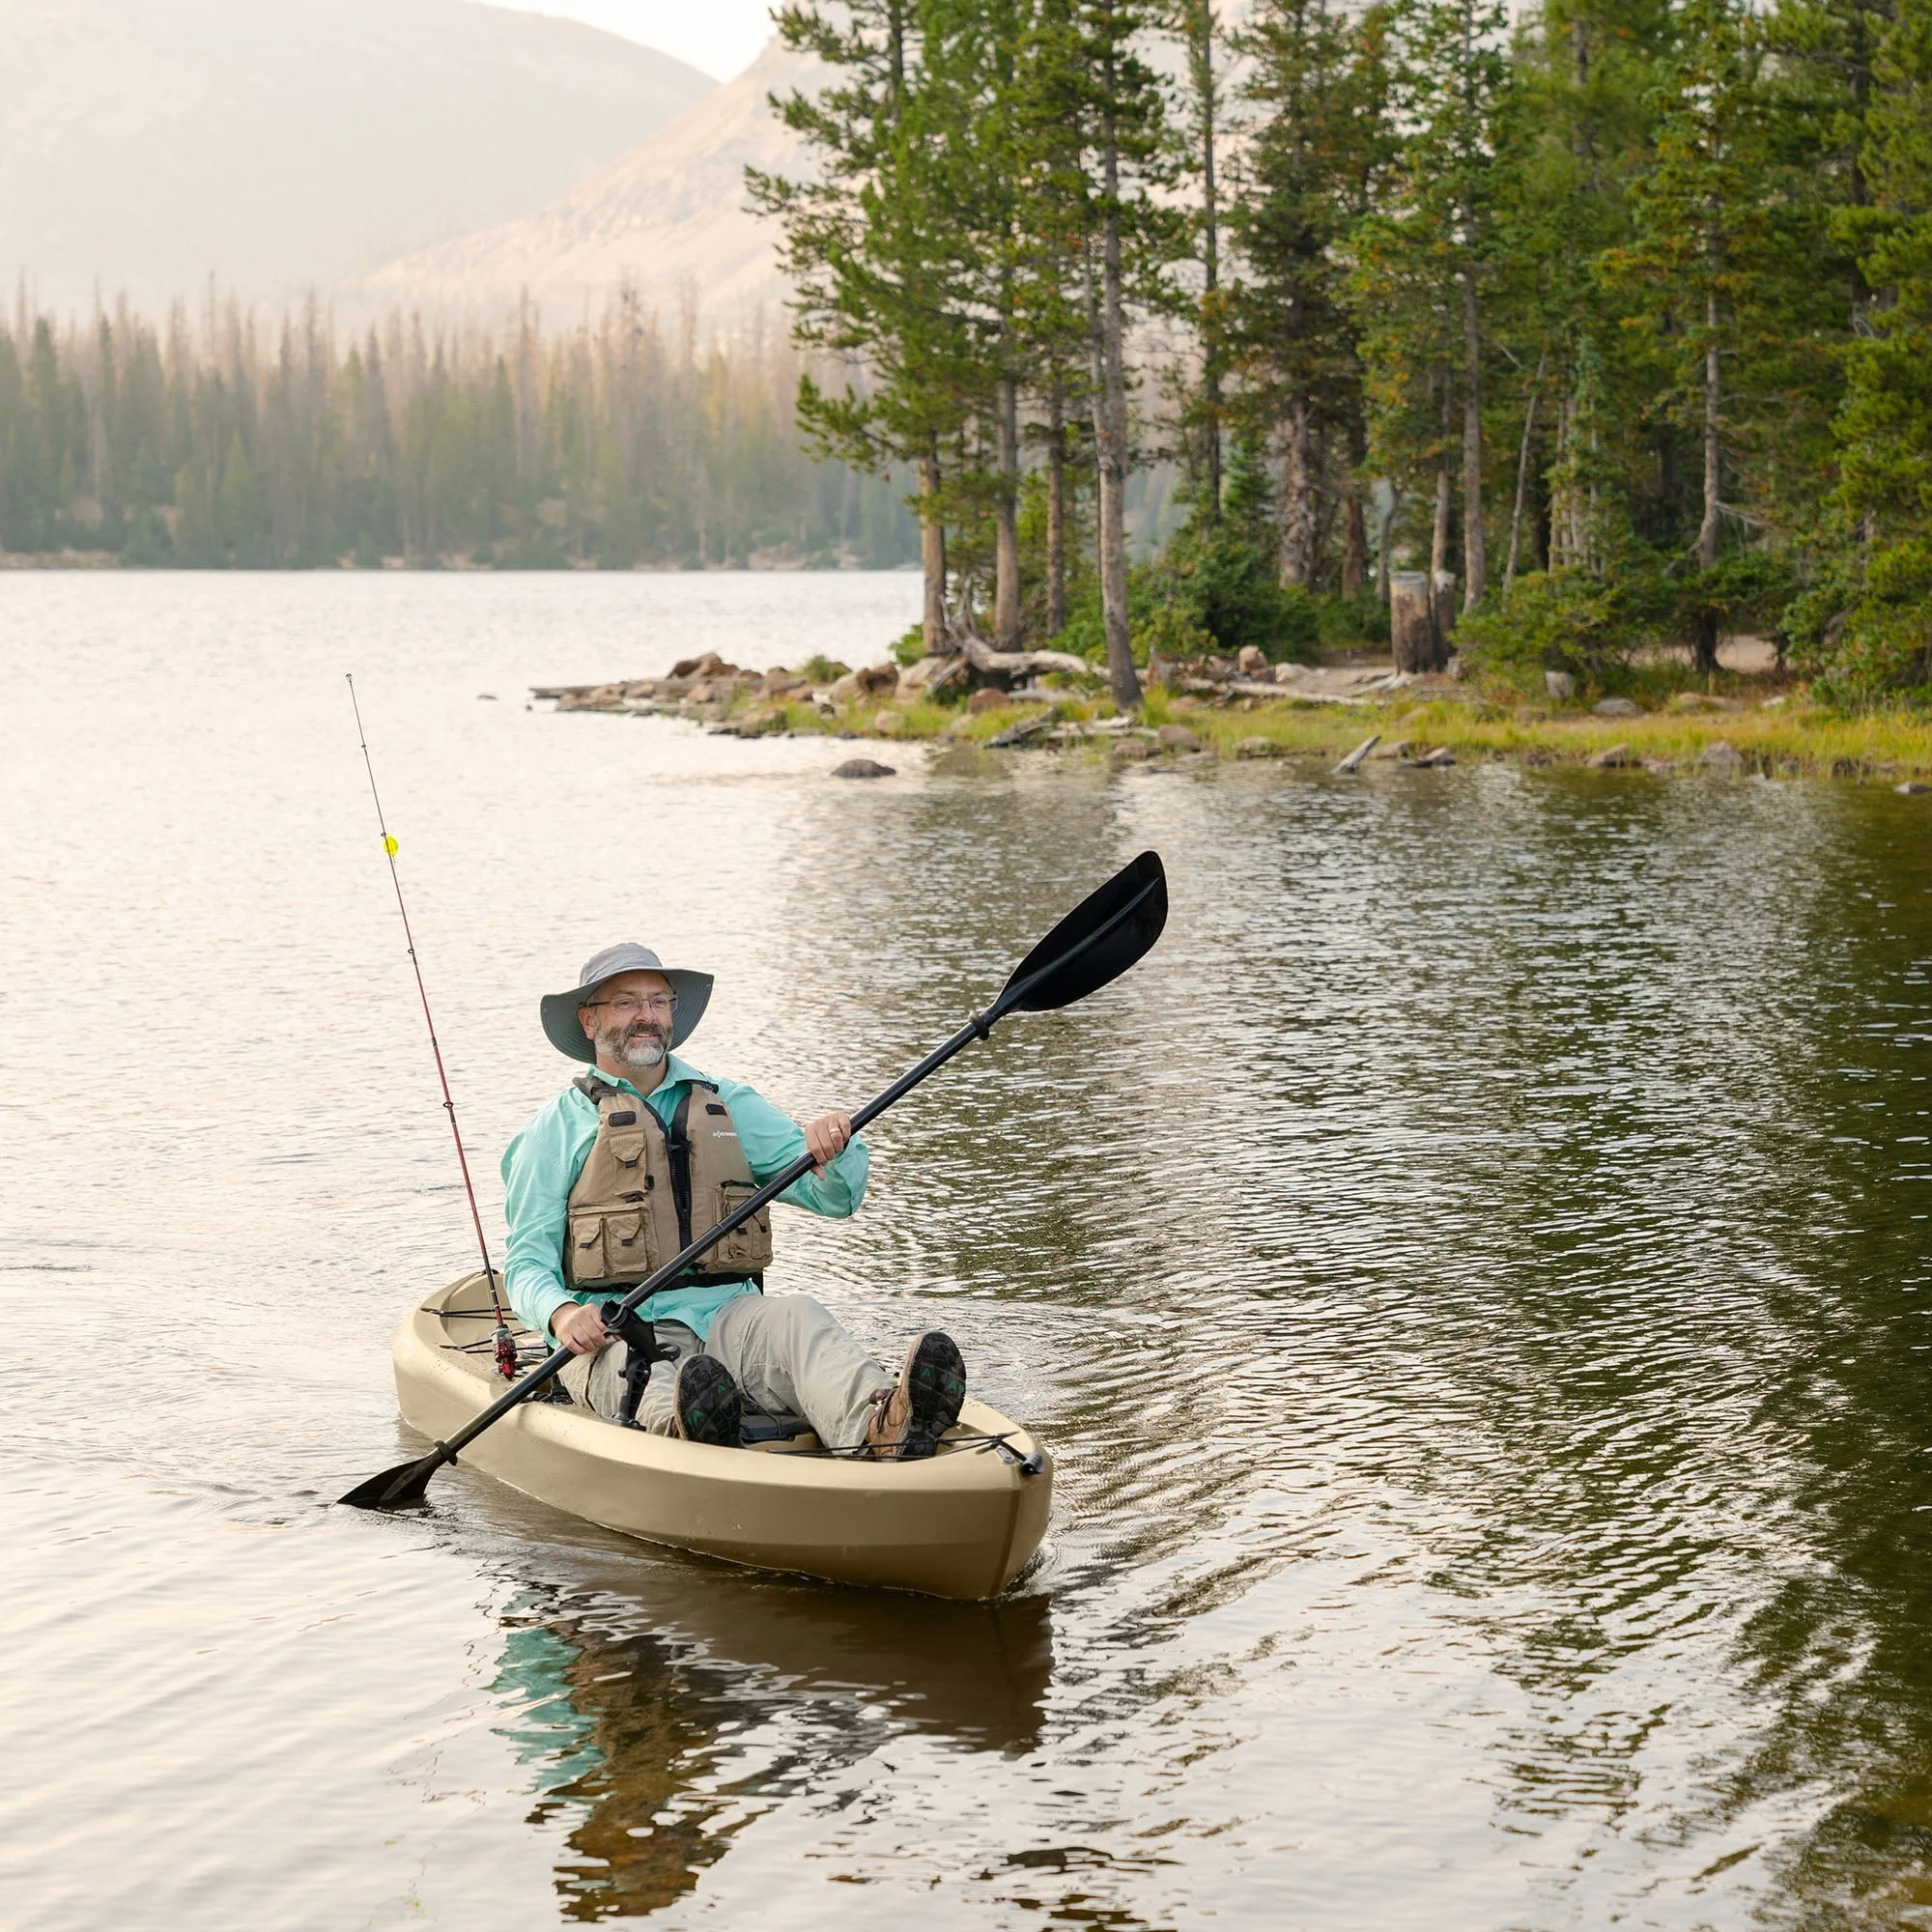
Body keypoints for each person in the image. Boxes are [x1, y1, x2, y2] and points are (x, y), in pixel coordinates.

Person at [501, 942, 967, 1457]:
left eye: (658, 1001)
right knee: (636, 1372)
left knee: (798, 1317)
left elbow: (834, 1198)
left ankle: (883, 1426)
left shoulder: (728, 1104)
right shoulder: (554, 1131)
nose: (646, 1016)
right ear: (589, 1022)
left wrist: (837, 1147)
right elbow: (525, 1264)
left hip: (729, 1317)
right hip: (618, 1329)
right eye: (627, 1002)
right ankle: (694, 1435)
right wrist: (562, 1315)